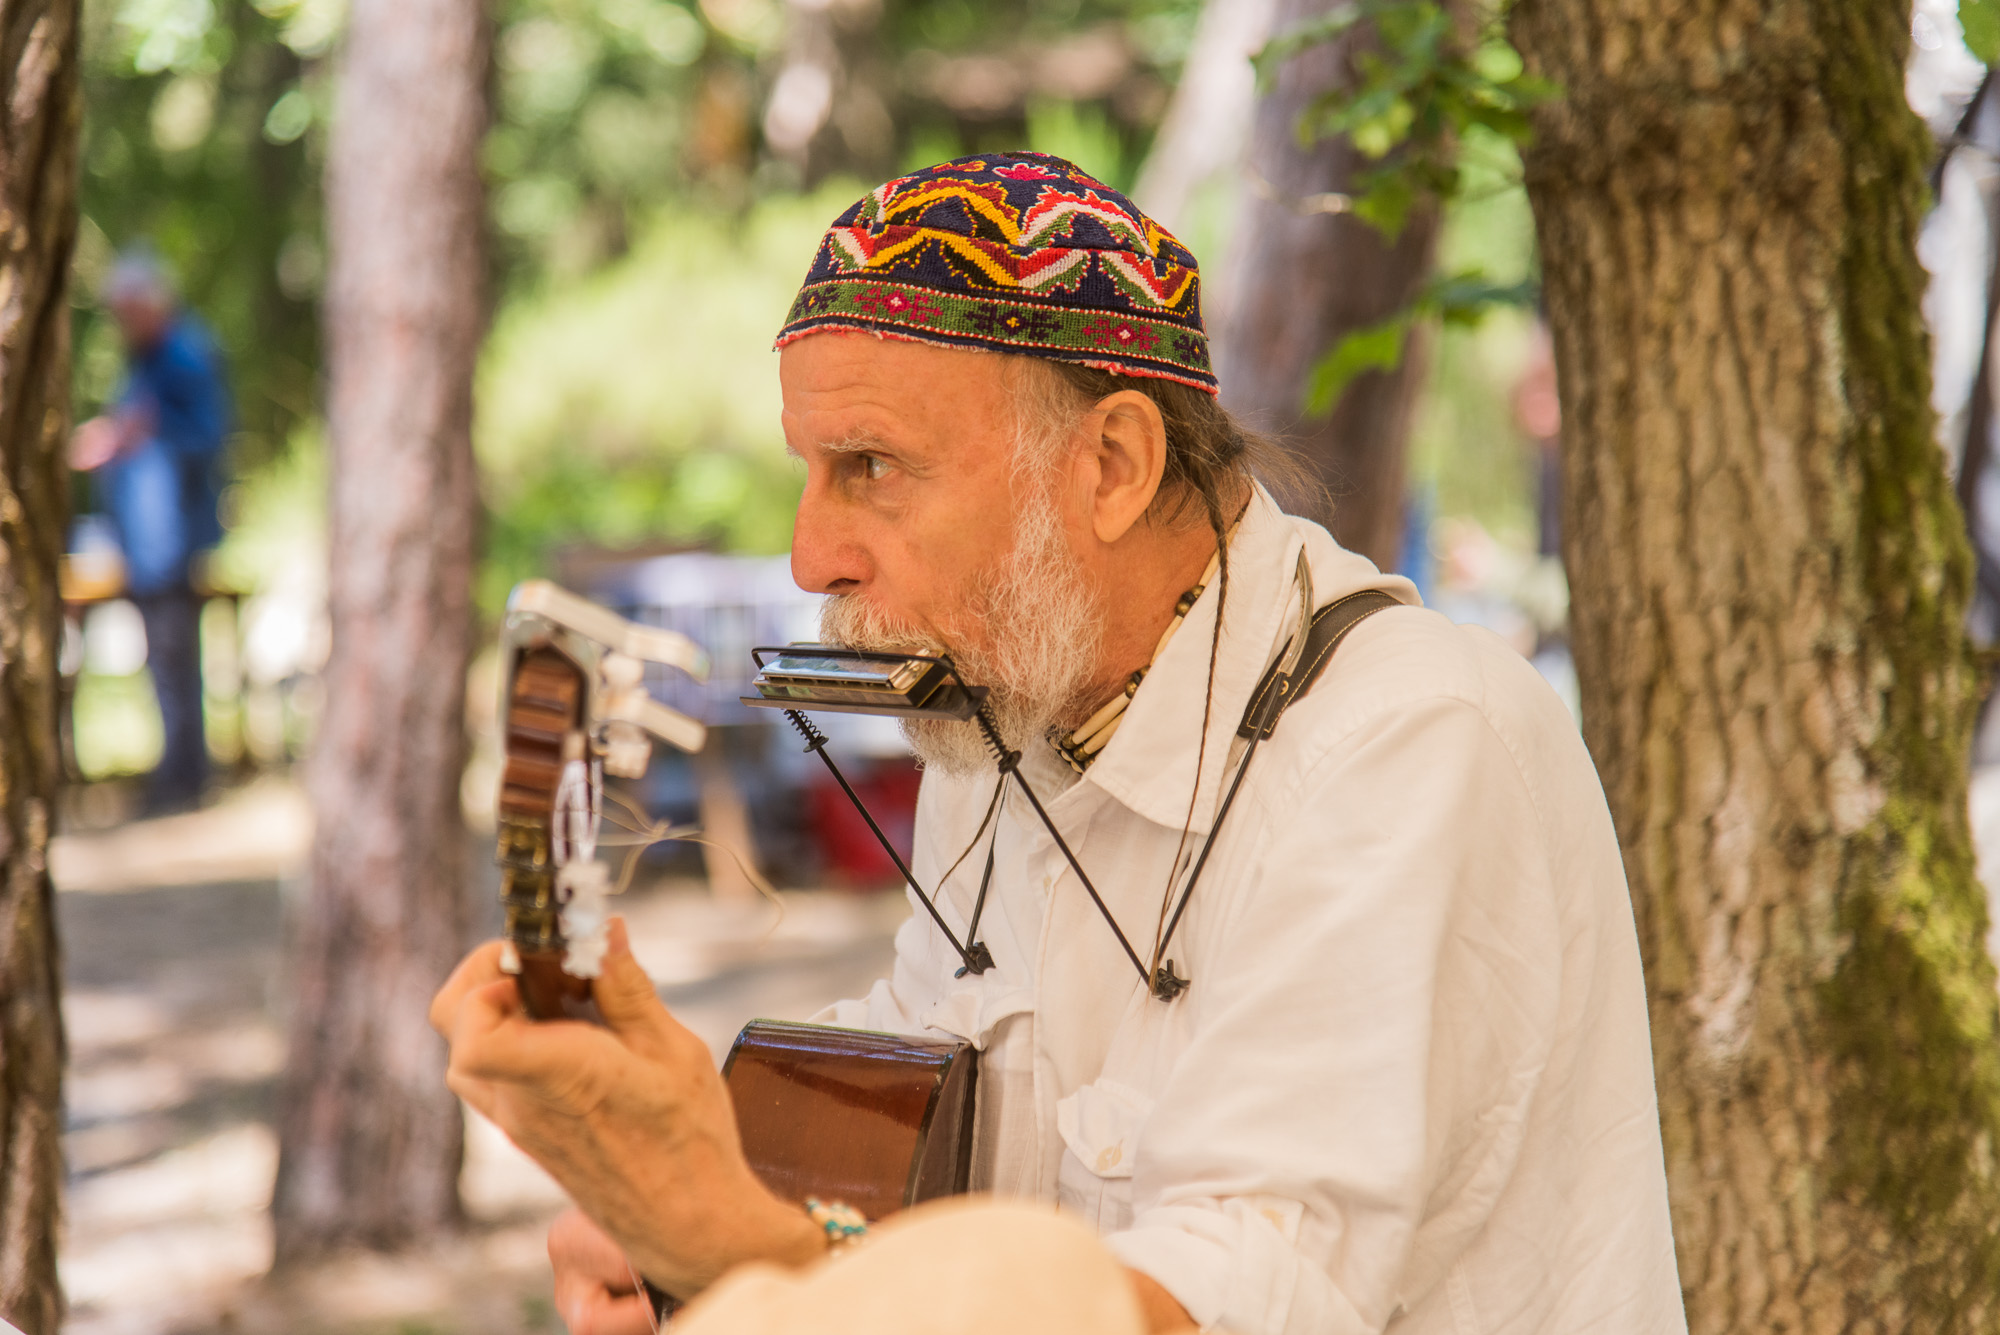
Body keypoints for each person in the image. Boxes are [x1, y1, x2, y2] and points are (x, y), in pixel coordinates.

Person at [431, 153, 1686, 1334]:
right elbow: (906, 1137)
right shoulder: (1008, 705)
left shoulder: (1408, 747)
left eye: (871, 465)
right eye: (810, 468)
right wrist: (683, 1152)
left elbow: (1217, 1301)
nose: (812, 554)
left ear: (1113, 465)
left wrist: (732, 1246)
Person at [71, 251, 231, 814]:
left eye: (126, 312)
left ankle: (186, 778)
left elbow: (207, 440)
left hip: (174, 544)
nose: (120, 325)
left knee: (176, 659)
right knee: (161, 662)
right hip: (143, 547)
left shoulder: (186, 354)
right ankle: (178, 772)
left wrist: (141, 435)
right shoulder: (142, 362)